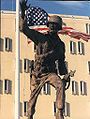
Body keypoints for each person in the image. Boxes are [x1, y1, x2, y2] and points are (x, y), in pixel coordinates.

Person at [19, 0, 73, 119]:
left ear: (59, 28)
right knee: (31, 103)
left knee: (59, 84)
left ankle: (59, 112)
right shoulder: (40, 37)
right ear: (48, 26)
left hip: (50, 73)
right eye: (51, 24)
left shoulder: (60, 45)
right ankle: (29, 115)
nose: (53, 26)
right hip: (37, 73)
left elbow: (60, 63)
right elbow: (23, 28)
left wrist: (65, 76)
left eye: (55, 25)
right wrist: (23, 12)